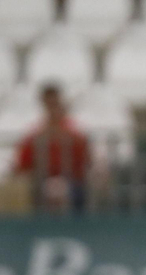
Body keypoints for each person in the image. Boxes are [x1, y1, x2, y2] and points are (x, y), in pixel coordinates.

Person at [13, 83, 93, 214]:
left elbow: (87, 160)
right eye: (49, 104)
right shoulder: (35, 136)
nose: (52, 108)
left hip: (73, 183)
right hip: (42, 183)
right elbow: (22, 166)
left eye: (55, 104)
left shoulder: (75, 135)